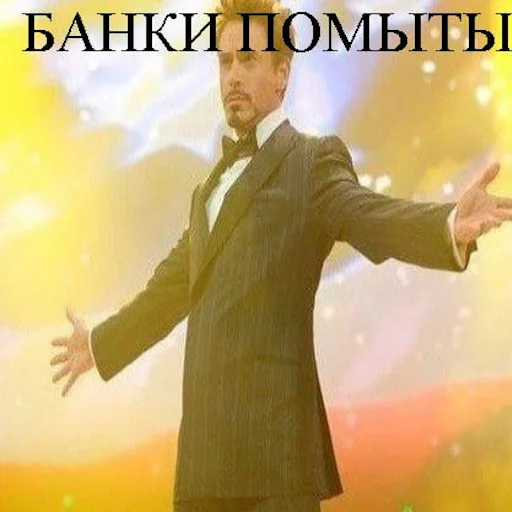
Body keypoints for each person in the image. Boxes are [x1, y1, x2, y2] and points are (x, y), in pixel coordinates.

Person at [50, 0, 512, 510]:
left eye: (248, 59)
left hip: (276, 462)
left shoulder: (310, 161)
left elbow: (366, 214)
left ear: (282, 74)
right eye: (225, 62)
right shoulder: (207, 191)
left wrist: (446, 223)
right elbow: (168, 291)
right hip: (203, 464)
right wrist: (101, 344)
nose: (233, 75)